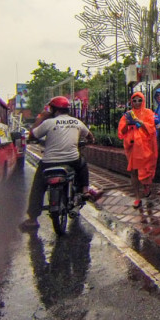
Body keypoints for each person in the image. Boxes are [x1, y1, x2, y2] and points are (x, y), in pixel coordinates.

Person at [20, 96, 94, 230]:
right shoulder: (76, 122)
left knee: (38, 186)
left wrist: (41, 117)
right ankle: (84, 190)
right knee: (82, 162)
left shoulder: (48, 123)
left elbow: (32, 136)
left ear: (53, 109)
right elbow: (90, 137)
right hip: (72, 160)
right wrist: (87, 141)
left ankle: (32, 219)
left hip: (49, 162)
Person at [118, 91, 158, 208]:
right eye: (134, 100)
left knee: (146, 168)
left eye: (139, 100)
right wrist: (128, 124)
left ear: (143, 101)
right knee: (134, 171)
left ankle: (146, 186)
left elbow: (152, 129)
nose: (137, 103)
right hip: (133, 147)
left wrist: (140, 122)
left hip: (146, 148)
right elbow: (121, 132)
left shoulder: (148, 113)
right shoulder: (127, 114)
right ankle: (137, 197)